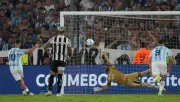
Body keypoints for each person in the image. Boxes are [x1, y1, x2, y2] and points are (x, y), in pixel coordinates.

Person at [93, 42, 165, 92]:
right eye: (106, 66)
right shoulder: (108, 77)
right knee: (142, 84)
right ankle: (157, 87)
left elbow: (106, 58)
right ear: (107, 69)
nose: (105, 66)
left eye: (106, 66)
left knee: (142, 73)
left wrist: (103, 50)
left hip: (128, 76)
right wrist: (100, 89)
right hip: (128, 82)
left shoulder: (112, 67)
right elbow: (107, 87)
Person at [44, 26, 72, 96]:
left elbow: (44, 47)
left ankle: (49, 90)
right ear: (64, 31)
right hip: (62, 60)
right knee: (60, 76)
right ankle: (59, 93)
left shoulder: (53, 38)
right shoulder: (67, 40)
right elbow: (70, 51)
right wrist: (69, 56)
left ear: (58, 31)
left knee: (52, 75)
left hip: (54, 60)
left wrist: (49, 54)